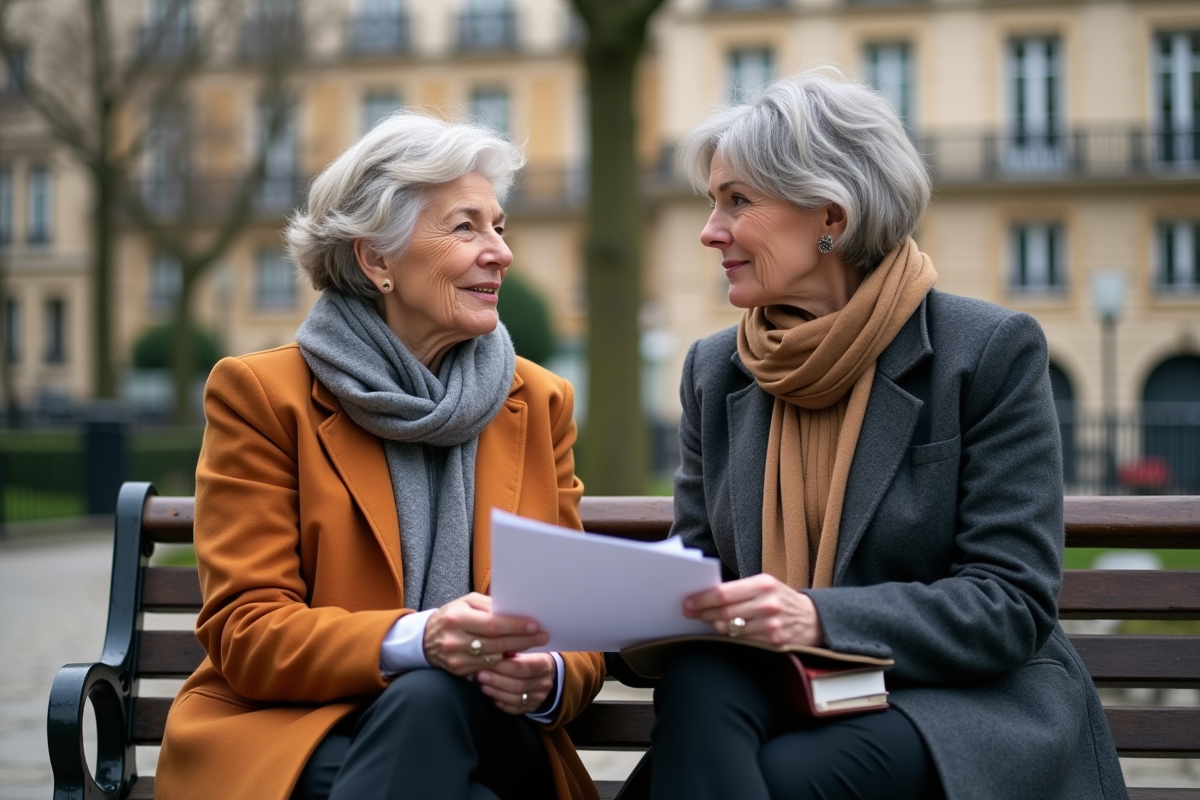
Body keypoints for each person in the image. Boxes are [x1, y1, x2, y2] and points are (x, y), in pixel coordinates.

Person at [642, 70, 1128, 800]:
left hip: (951, 698)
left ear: (829, 215)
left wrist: (816, 615)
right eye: (713, 203)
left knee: (783, 777)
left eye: (737, 201)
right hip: (780, 685)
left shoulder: (983, 352)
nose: (711, 232)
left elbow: (1010, 602)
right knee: (700, 674)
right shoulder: (718, 370)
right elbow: (700, 569)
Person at [156, 112, 604, 800]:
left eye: (499, 227)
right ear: (376, 260)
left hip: (498, 732)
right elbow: (249, 633)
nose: (501, 252)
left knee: (431, 703)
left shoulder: (539, 402)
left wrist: (548, 675)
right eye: (466, 227)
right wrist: (422, 640)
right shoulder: (264, 397)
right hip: (304, 730)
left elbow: (573, 625)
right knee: (429, 712)